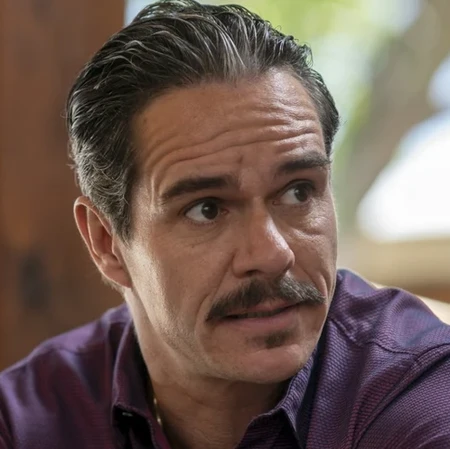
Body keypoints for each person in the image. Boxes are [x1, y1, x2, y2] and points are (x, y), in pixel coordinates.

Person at [1, 0, 450, 447]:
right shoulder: (28, 421)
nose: (272, 254)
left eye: (298, 192)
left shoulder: (425, 394)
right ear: (107, 243)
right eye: (207, 209)